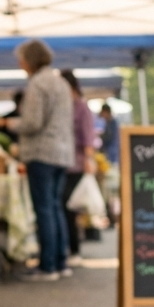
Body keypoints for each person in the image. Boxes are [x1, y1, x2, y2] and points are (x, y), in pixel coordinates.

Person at [13, 39, 74, 281]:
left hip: (41, 153)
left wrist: (11, 124)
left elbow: (32, 123)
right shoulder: (60, 82)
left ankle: (47, 266)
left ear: (29, 60)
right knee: (56, 207)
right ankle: (61, 262)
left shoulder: (37, 84)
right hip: (62, 152)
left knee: (44, 209)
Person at [60, 70, 96, 265]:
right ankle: (68, 249)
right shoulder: (65, 106)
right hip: (63, 164)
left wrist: (89, 161)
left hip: (77, 165)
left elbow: (88, 138)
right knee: (64, 208)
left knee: (70, 208)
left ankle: (74, 250)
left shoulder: (81, 107)